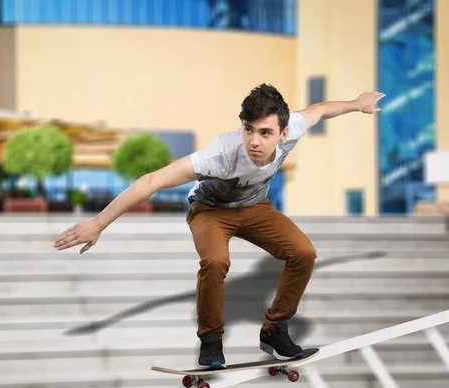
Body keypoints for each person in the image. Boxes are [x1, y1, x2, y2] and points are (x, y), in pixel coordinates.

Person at [53, 83, 385, 368]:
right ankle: (211, 339)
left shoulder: (294, 127)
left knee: (303, 253)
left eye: (265, 133)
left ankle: (274, 330)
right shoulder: (220, 154)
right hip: (210, 210)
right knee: (215, 261)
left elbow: (321, 109)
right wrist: (98, 222)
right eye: (248, 130)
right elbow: (151, 181)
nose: (254, 142)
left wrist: (358, 104)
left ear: (283, 133)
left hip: (255, 207)